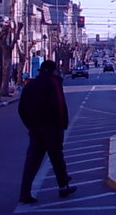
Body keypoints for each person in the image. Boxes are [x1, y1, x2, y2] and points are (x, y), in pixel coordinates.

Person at [18, 60, 76, 204]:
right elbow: (60, 106)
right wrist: (62, 125)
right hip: (52, 129)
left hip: (35, 129)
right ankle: (63, 186)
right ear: (52, 70)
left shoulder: (31, 84)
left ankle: (25, 193)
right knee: (57, 159)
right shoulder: (53, 83)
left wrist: (30, 125)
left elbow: (21, 108)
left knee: (32, 162)